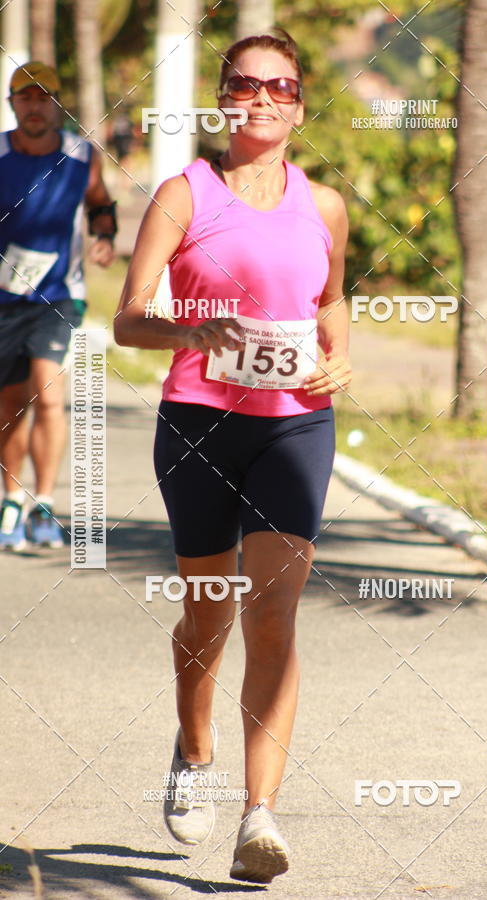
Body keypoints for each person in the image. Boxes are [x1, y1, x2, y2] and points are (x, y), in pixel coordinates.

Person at [114, 28, 351, 884]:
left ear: (298, 102)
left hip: (296, 422)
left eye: (279, 86)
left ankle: (259, 818)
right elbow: (128, 318)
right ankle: (193, 742)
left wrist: (341, 354)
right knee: (208, 615)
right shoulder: (185, 194)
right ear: (222, 95)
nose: (260, 98)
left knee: (274, 617)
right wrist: (192, 329)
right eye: (244, 83)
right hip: (200, 424)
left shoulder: (323, 205)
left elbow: (332, 302)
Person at [0, 61, 116, 550]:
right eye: (25, 97)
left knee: (48, 395)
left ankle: (44, 502)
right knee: (10, 404)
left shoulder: (81, 154)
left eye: (44, 97)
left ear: (57, 104)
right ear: (12, 105)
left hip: (58, 296)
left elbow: (100, 203)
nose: (34, 106)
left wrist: (105, 235)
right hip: (3, 298)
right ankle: (11, 500)